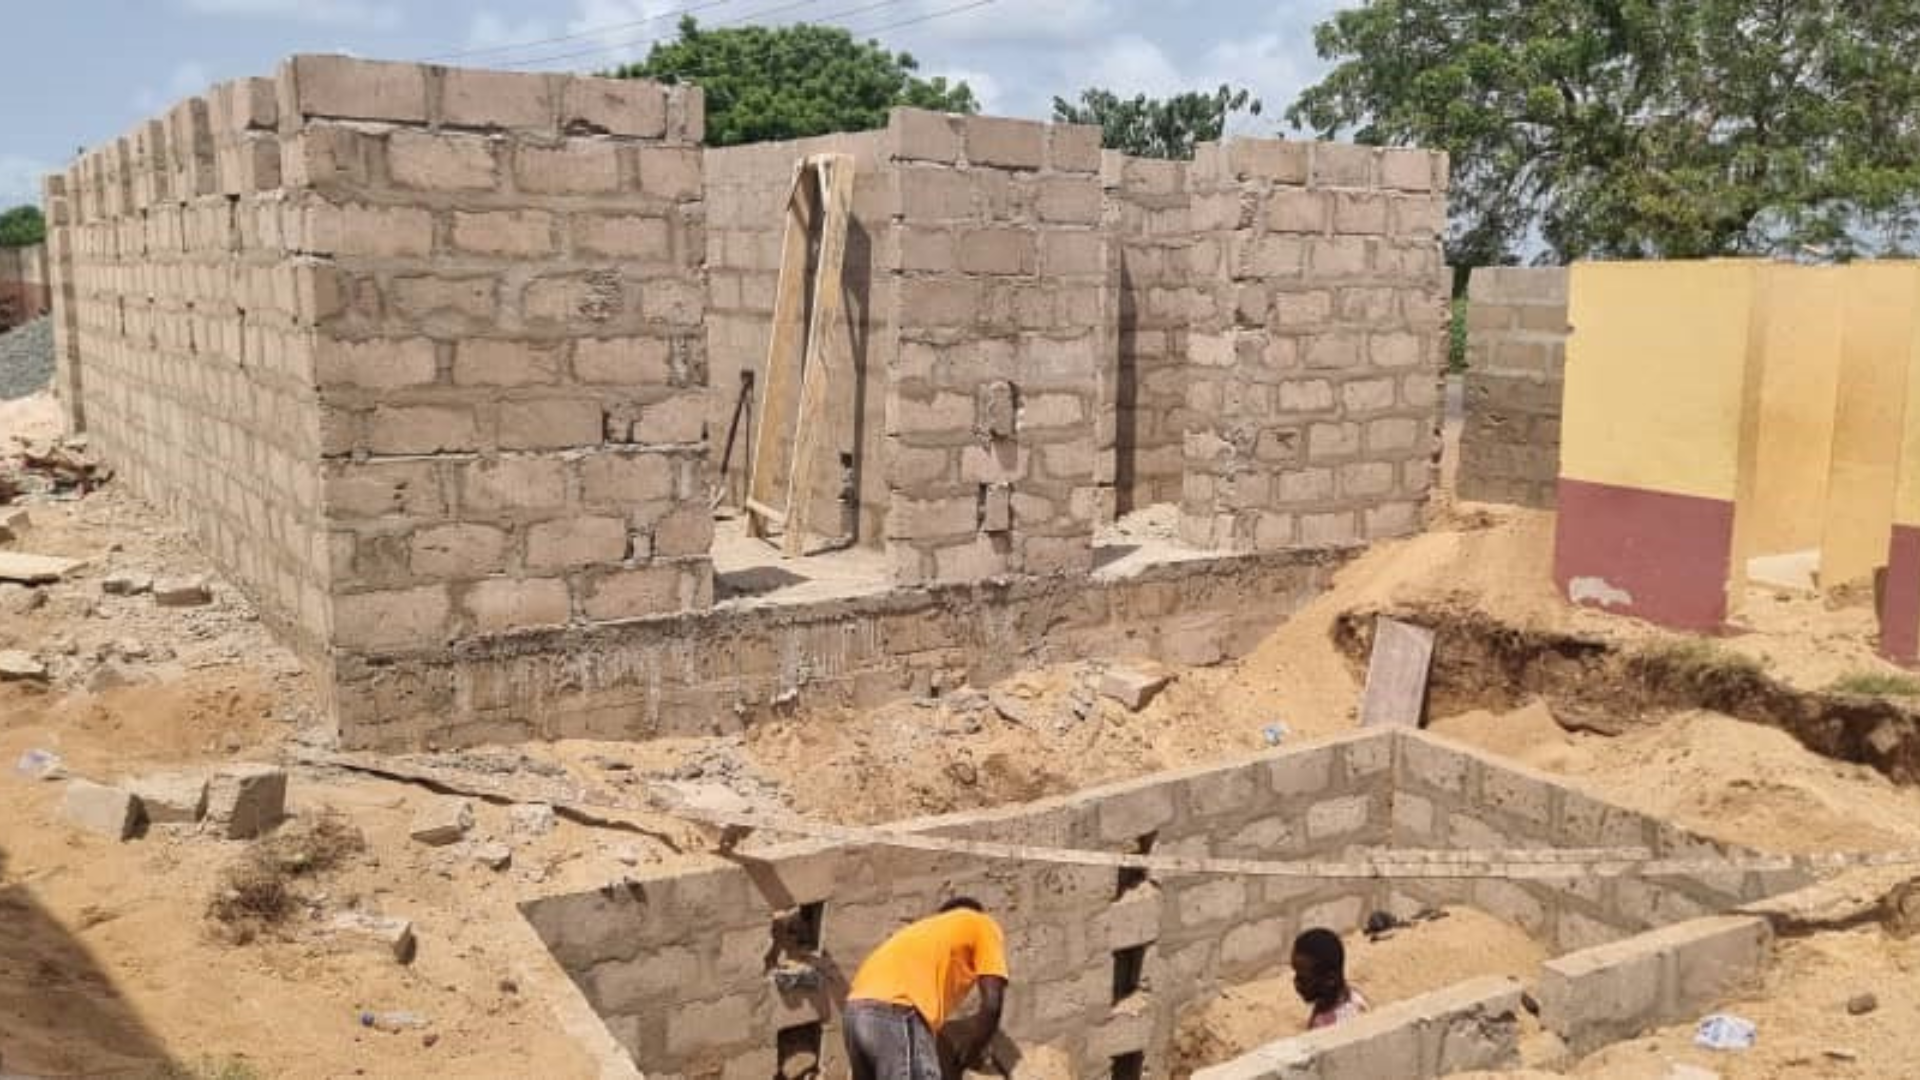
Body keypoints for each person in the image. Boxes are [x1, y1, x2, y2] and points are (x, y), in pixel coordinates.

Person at [843, 897, 1009, 1080]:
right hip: (897, 1011)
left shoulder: (919, 931)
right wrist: (971, 1054)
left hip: (854, 1012)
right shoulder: (980, 922)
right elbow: (993, 1004)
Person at [1292, 927, 1368, 1030]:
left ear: (1330, 979)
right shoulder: (1349, 997)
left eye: (1303, 978)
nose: (1296, 983)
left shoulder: (1331, 1025)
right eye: (1296, 974)